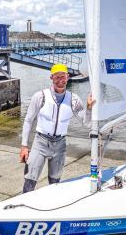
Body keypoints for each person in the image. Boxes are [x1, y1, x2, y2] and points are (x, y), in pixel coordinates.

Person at [19, 63, 95, 193]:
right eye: (57, 77)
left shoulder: (74, 100)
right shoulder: (40, 96)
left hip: (60, 145)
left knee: (54, 183)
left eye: (63, 77)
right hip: (40, 143)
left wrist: (89, 108)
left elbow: (86, 122)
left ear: (68, 77)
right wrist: (24, 146)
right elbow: (28, 120)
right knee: (29, 181)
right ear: (51, 78)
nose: (60, 81)